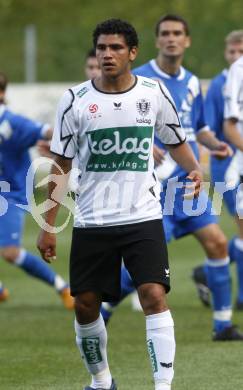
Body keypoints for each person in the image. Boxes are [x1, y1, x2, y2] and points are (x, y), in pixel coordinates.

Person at [37, 18, 203, 390]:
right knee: (85, 304)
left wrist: (194, 170)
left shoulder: (153, 92)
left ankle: (163, 386)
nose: (107, 55)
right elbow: (60, 166)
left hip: (142, 217)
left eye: (115, 48)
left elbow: (175, 139)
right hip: (92, 220)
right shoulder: (75, 100)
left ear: (132, 53)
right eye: (101, 48)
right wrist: (48, 226)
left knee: (154, 295)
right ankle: (101, 381)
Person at [101, 14, 243, 342]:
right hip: (154, 189)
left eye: (178, 33)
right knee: (144, 267)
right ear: (157, 40)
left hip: (187, 186)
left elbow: (200, 127)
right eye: (165, 33)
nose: (171, 38)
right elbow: (117, 122)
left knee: (218, 243)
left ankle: (222, 325)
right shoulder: (138, 79)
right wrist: (145, 143)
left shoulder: (192, 81)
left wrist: (215, 145)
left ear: (187, 40)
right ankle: (103, 307)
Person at [0, 71, 73, 309]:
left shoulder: (13, 123)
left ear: (2, 94)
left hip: (9, 196)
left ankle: (62, 286)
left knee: (11, 253)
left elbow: (47, 132)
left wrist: (65, 141)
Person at [192, 30, 243, 309]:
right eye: (232, 52)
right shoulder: (220, 85)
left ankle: (205, 272)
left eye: (241, 52)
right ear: (226, 53)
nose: (236, 57)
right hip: (229, 165)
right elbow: (210, 129)